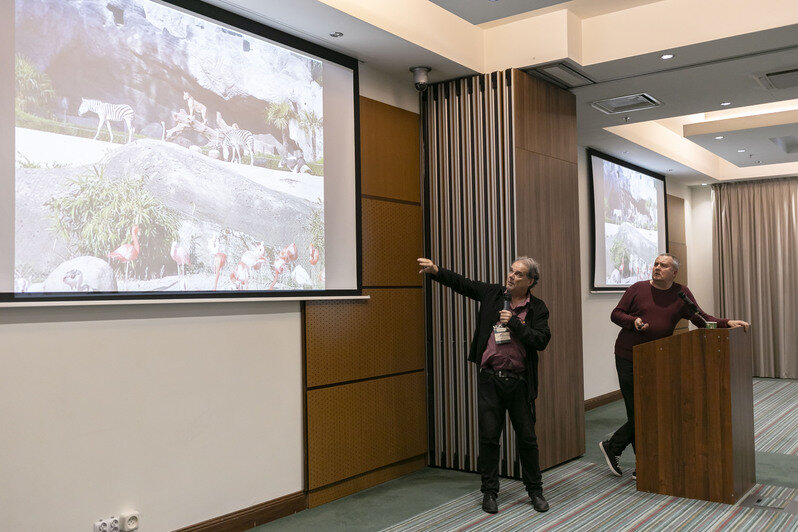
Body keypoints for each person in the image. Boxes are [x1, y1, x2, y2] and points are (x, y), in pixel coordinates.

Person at [418, 256, 552, 514]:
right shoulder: (492, 294)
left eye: (519, 274)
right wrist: (436, 271)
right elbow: (463, 284)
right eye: (511, 271)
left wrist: (514, 322)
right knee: (489, 439)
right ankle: (489, 493)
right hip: (490, 380)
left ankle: (535, 491)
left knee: (527, 439)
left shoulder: (537, 308)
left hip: (520, 383)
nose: (511, 276)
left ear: (531, 281)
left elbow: (541, 340)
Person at [599, 253, 749, 479]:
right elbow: (616, 314)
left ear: (674, 272)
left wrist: (726, 323)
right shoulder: (637, 288)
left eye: (664, 265)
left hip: (658, 358)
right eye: (656, 264)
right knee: (639, 411)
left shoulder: (681, 293)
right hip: (628, 356)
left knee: (651, 409)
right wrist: (634, 322)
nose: (657, 268)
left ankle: (614, 447)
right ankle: (643, 464)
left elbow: (701, 319)